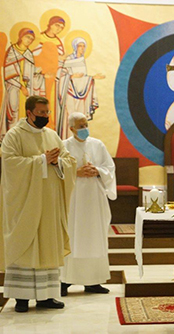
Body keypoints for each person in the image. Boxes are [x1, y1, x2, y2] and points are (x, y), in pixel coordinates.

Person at [1, 95, 76, 312]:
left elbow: (69, 161)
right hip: (24, 203)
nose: (45, 116)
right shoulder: (14, 135)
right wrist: (42, 160)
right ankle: (21, 298)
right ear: (29, 112)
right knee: (25, 243)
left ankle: (46, 296)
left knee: (47, 244)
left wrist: (58, 161)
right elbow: (10, 163)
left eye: (47, 113)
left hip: (49, 202)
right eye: (41, 113)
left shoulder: (52, 135)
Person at [60, 112, 116, 296]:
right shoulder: (64, 146)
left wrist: (97, 171)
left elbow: (109, 168)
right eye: (80, 126)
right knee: (72, 236)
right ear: (71, 128)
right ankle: (65, 281)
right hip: (74, 199)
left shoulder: (97, 145)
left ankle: (93, 281)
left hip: (94, 198)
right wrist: (75, 172)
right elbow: (58, 169)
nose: (85, 129)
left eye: (86, 124)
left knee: (94, 237)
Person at [0, 28, 46, 142]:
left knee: (26, 113)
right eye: (27, 37)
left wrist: (38, 72)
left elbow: (29, 71)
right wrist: (21, 87)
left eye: (31, 39)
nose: (29, 40)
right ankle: (11, 139)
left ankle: (23, 138)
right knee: (13, 110)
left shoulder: (29, 54)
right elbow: (8, 73)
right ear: (21, 36)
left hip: (26, 88)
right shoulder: (12, 51)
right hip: (14, 87)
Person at [56, 37, 104, 139]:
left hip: (82, 94)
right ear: (75, 47)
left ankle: (79, 139)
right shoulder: (68, 60)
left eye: (84, 46)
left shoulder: (82, 60)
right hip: (69, 93)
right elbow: (60, 75)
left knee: (80, 117)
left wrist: (92, 78)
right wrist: (72, 77)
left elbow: (83, 77)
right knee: (70, 116)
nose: (82, 48)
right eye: (80, 46)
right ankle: (67, 139)